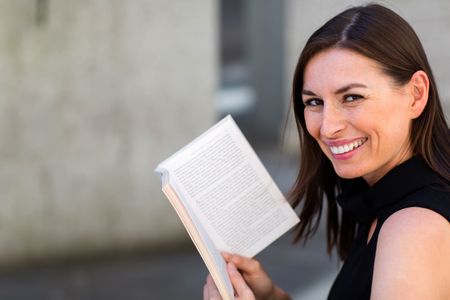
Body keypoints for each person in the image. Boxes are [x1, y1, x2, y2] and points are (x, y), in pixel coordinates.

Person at [203, 3, 450, 300]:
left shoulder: (414, 228)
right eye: (314, 102)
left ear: (416, 95)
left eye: (352, 97)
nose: (328, 127)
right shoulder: (382, 200)